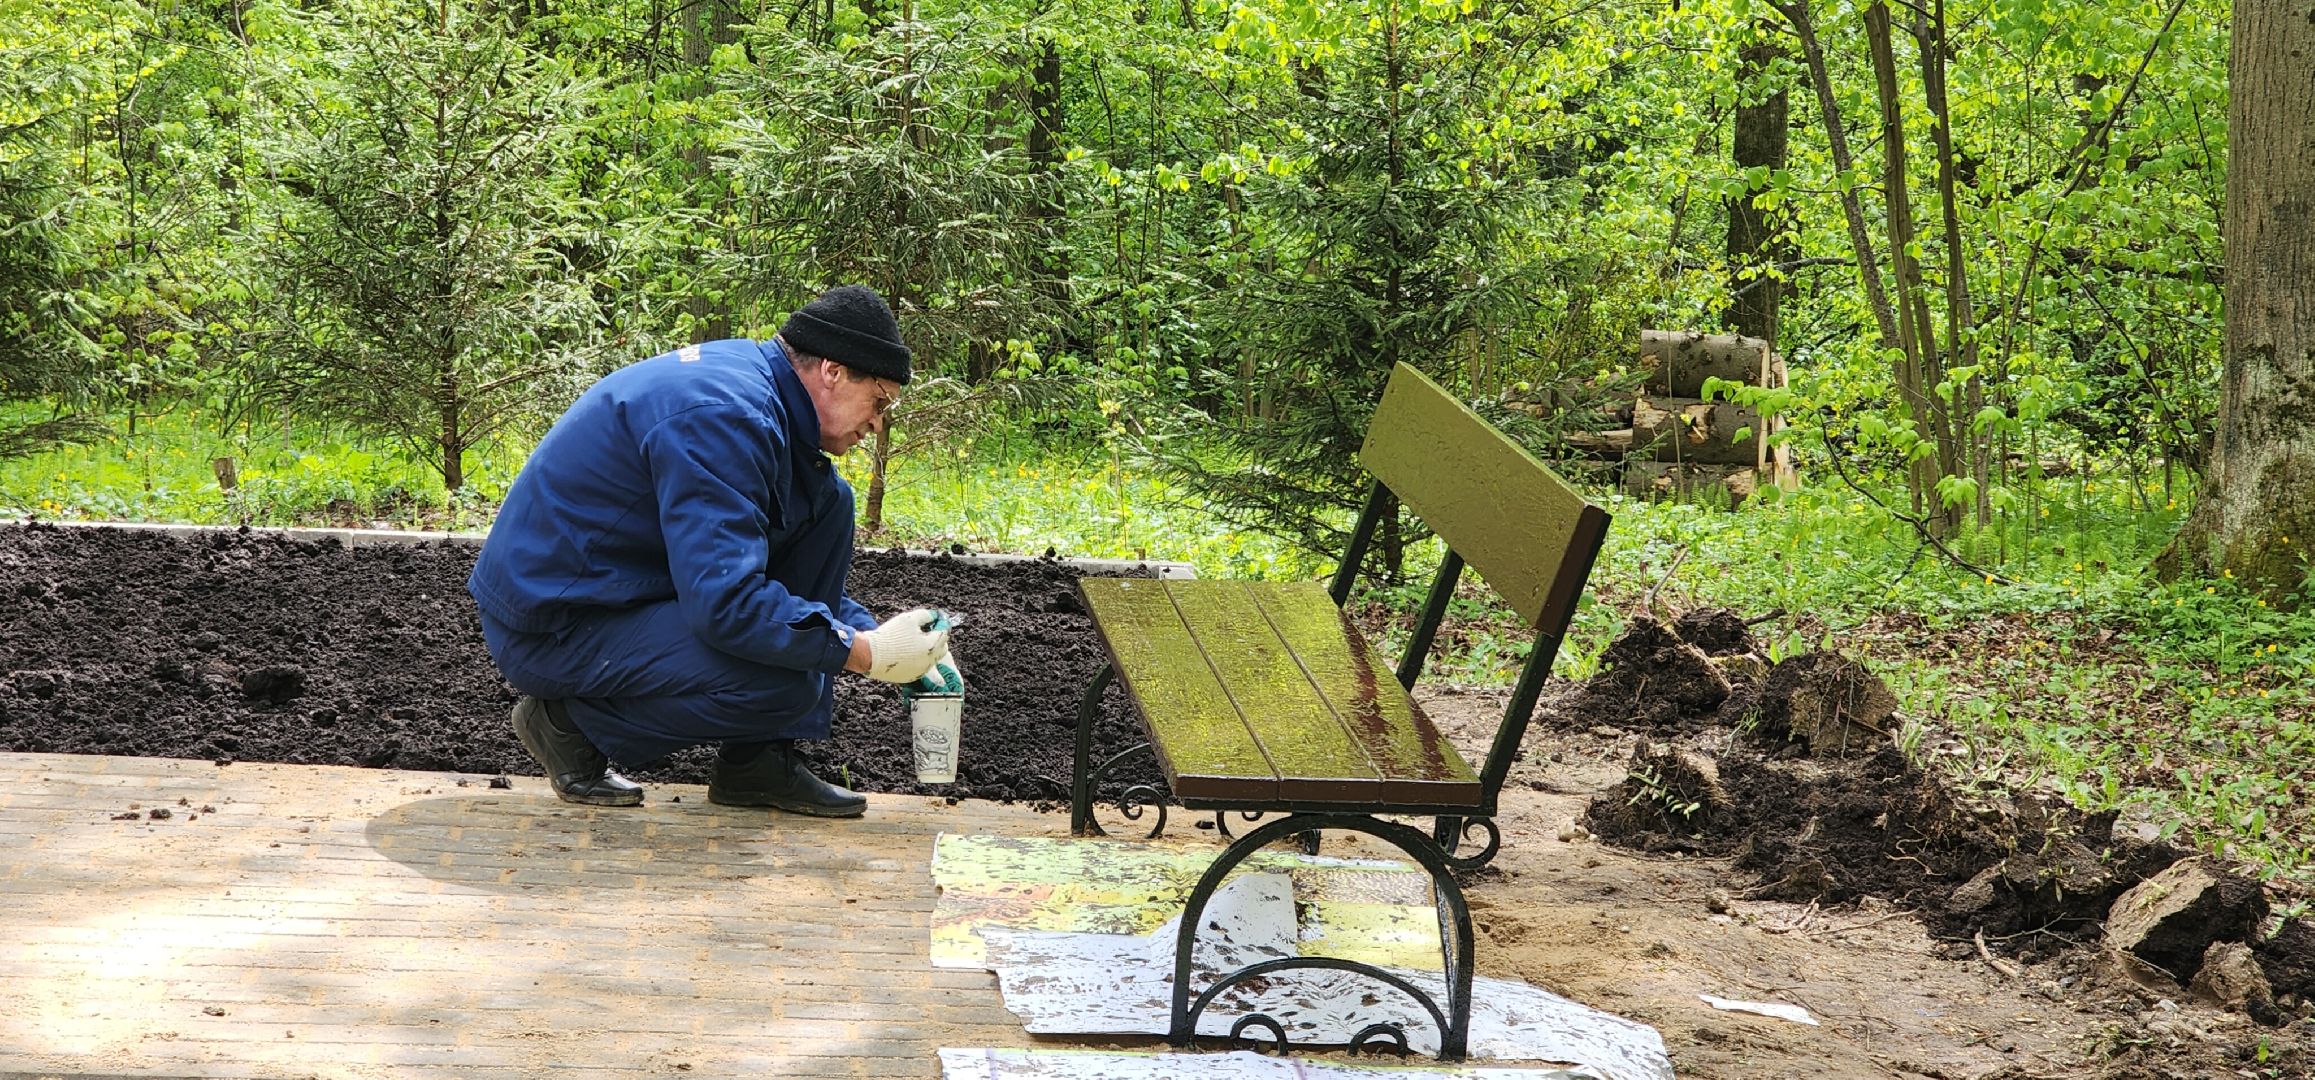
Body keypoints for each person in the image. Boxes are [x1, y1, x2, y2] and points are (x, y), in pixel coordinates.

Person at [466, 284, 960, 818]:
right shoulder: (724, 417)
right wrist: (866, 654)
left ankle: (756, 765)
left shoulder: (757, 394)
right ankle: (567, 722)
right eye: (879, 402)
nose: (878, 424)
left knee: (827, 502)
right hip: (556, 622)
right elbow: (727, 604)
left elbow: (768, 582)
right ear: (834, 372)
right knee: (784, 685)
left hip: (621, 588)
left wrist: (892, 638)